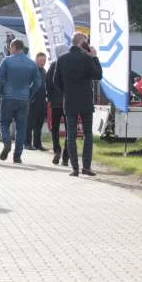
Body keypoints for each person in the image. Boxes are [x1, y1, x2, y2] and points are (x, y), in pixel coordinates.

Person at [53, 32, 103, 177]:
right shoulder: (87, 58)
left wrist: (67, 90)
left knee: (71, 134)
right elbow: (98, 75)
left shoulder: (62, 59)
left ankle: (74, 168)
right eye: (86, 42)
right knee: (88, 134)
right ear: (82, 43)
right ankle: (86, 167)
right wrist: (95, 58)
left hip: (69, 101)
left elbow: (56, 81)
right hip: (86, 100)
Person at [0, 39, 42, 163]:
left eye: (10, 48)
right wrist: (29, 93)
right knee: (21, 128)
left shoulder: (7, 61)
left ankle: (6, 142)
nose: (9, 50)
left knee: (4, 123)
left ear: (14, 47)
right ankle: (17, 156)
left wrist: (1, 92)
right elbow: (38, 82)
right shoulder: (31, 63)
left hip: (8, 97)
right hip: (24, 98)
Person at [45, 59, 69, 165]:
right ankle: (66, 156)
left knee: (55, 127)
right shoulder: (71, 63)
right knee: (70, 129)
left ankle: (56, 150)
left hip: (56, 102)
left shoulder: (54, 65)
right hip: (69, 101)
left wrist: (50, 97)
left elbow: (48, 81)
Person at [26, 52, 48, 150]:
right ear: (36, 60)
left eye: (44, 61)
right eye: (41, 60)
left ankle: (37, 143)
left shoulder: (44, 71)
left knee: (39, 124)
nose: (42, 62)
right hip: (32, 100)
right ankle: (27, 143)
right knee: (30, 123)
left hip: (42, 101)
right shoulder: (31, 70)